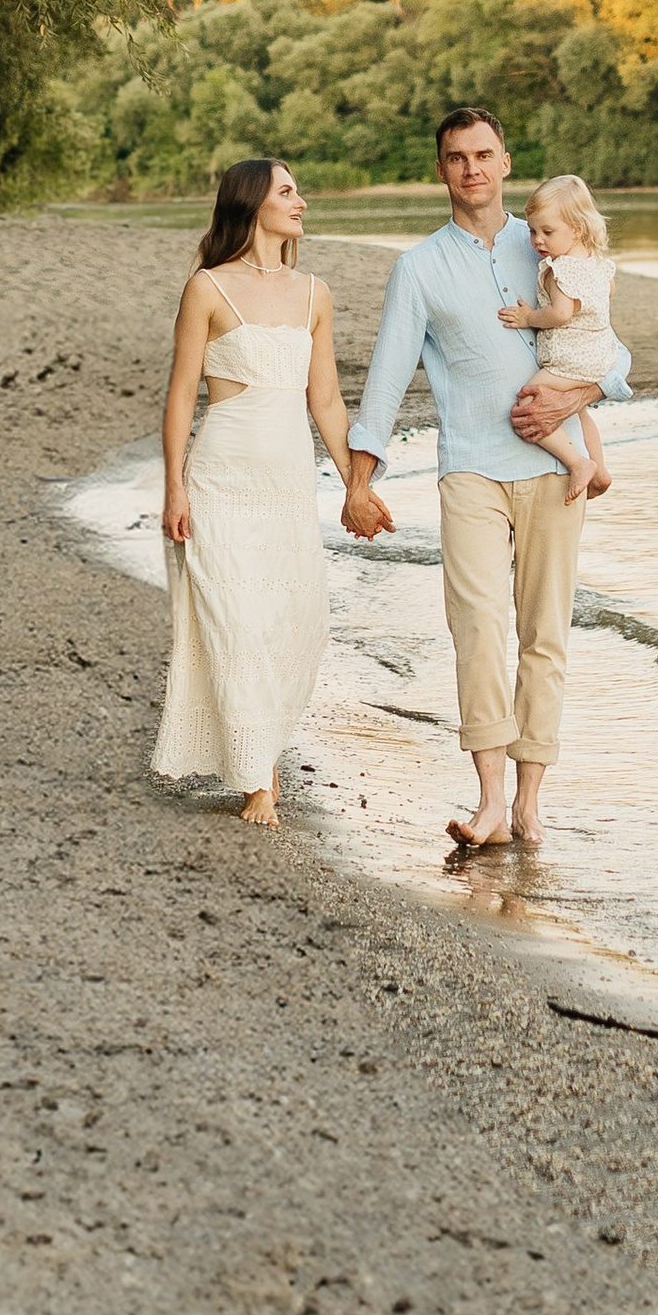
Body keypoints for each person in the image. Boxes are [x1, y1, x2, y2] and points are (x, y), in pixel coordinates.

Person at [342, 106, 629, 854]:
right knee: (476, 629)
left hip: (551, 468)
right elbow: (385, 379)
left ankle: (532, 805)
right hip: (469, 467)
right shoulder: (418, 268)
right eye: (456, 157)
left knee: (545, 636)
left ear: (505, 162)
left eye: (484, 154)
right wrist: (358, 481)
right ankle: (492, 802)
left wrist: (581, 394)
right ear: (441, 170)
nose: (471, 168)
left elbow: (611, 350)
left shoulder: (551, 242)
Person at [153, 156, 375, 830]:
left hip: (287, 486)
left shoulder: (315, 294)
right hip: (220, 480)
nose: (301, 201)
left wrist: (355, 484)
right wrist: (172, 488)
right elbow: (180, 393)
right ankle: (258, 783)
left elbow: (329, 400)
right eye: (288, 191)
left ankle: (261, 759)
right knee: (235, 620)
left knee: (292, 624)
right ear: (253, 204)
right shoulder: (208, 288)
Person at [496, 173, 625, 506]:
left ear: (577, 229)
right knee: (580, 413)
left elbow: (560, 314)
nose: (538, 240)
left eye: (548, 232)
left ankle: (578, 463)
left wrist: (529, 318)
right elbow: (608, 294)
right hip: (600, 356)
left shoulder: (559, 270)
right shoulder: (599, 264)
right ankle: (601, 470)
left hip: (570, 360)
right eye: (533, 231)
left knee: (528, 403)